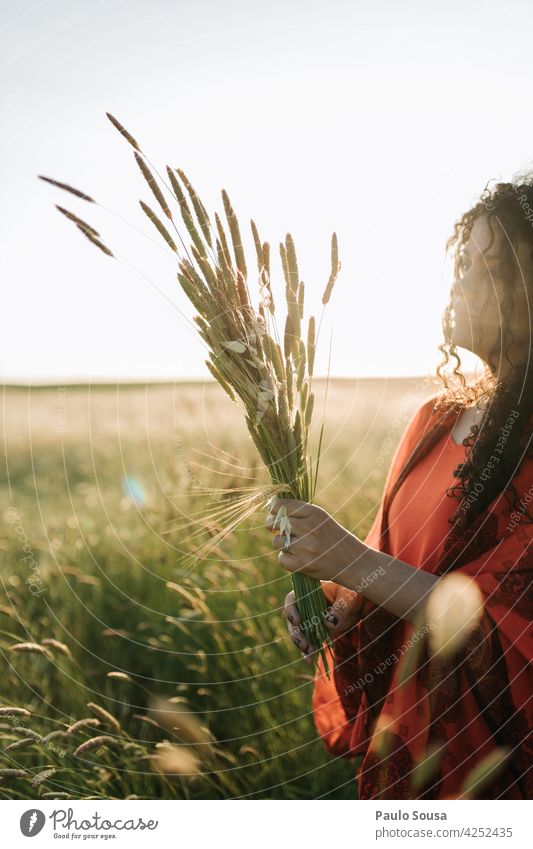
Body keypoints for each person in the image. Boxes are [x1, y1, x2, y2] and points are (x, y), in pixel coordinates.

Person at [266, 177, 533, 799]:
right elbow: (392, 569)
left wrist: (353, 563)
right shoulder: (433, 422)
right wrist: (338, 602)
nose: (457, 281)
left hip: (487, 776)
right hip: (405, 754)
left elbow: (510, 627)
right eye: (457, 262)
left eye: (479, 265)